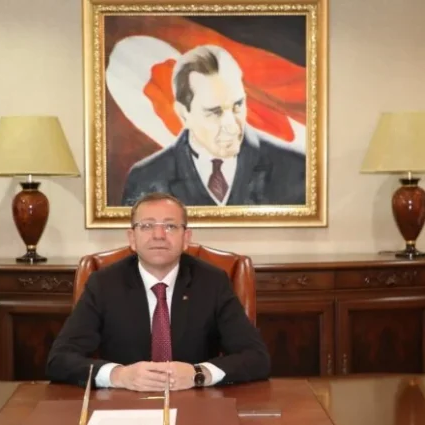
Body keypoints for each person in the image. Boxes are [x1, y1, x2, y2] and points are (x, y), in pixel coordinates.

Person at [46, 192, 270, 391]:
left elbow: (256, 357)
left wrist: (198, 374)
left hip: (194, 404)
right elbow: (59, 359)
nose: (159, 235)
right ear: (132, 238)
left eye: (170, 226)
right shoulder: (104, 284)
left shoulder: (212, 281)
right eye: (147, 226)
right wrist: (119, 376)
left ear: (186, 238)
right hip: (123, 403)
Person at [120, 44, 306, 207]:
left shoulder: (296, 170)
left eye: (238, 105)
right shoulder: (146, 180)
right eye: (215, 112)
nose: (231, 126)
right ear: (183, 113)